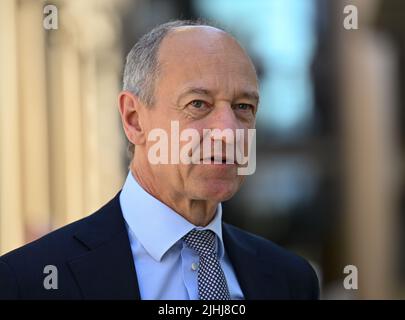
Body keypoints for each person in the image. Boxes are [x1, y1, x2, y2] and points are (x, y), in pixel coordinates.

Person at [0, 20, 319, 300]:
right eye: (198, 104)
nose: (228, 132)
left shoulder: (290, 279)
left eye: (243, 107)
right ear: (134, 119)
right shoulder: (28, 281)